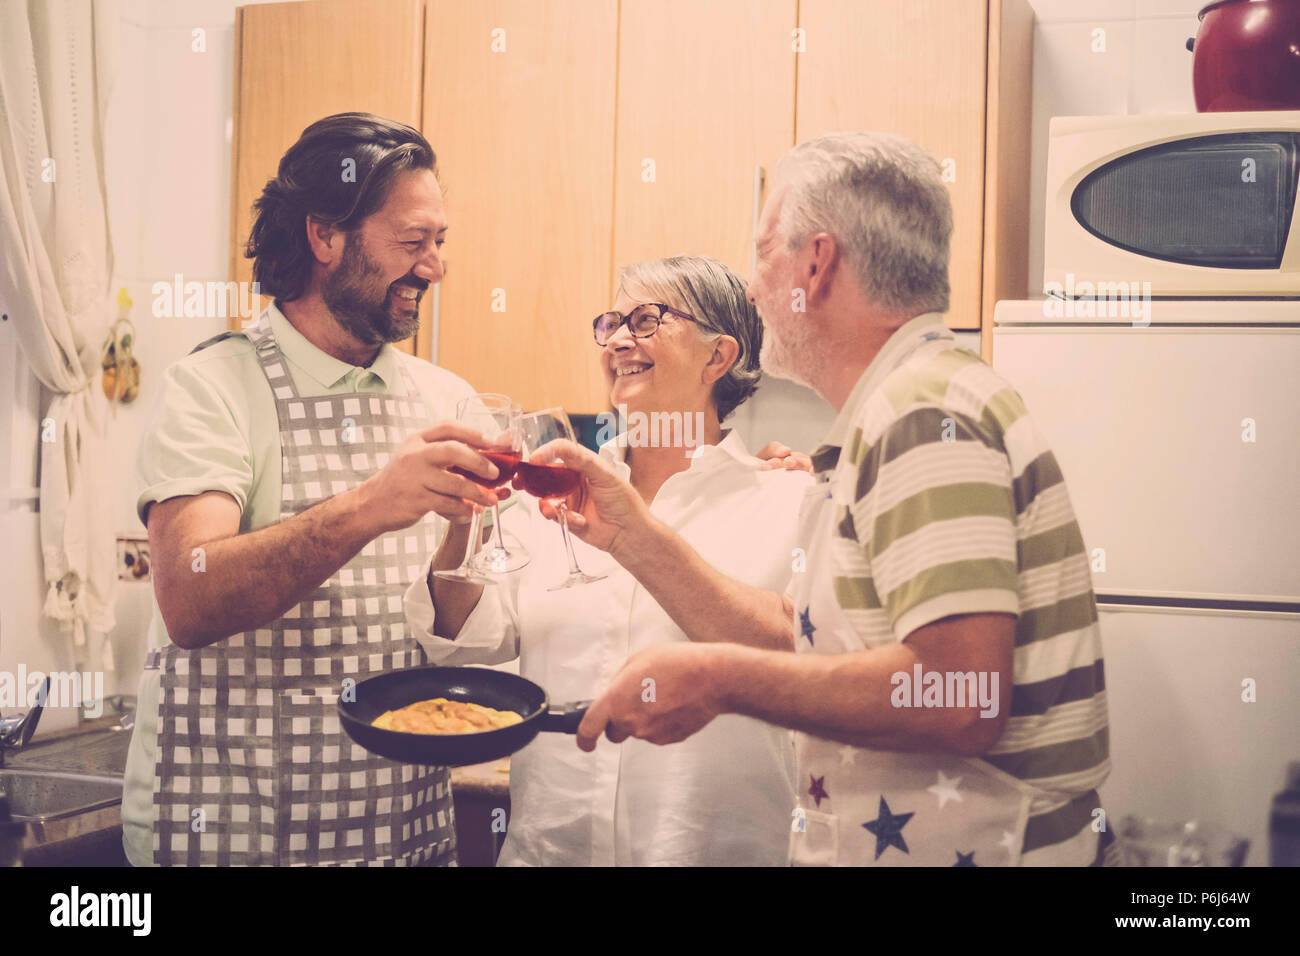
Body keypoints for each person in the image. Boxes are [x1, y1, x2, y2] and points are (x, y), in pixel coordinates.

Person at [537, 132, 1114, 866]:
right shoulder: (896, 410)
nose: (750, 290)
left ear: (817, 262)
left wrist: (718, 679)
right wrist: (633, 535)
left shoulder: (921, 414)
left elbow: (960, 695)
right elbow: (812, 641)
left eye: (762, 254)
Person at [121, 113, 509, 866]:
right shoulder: (211, 388)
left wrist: (467, 532)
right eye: (412, 242)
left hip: (400, 837)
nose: (434, 268)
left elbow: (452, 628)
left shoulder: (447, 399)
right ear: (325, 237)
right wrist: (372, 505)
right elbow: (190, 602)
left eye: (440, 242)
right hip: (237, 839)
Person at [405, 256, 812, 865]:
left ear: (718, 357)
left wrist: (636, 539)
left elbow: (799, 658)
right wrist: (462, 527)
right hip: (548, 851)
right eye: (612, 322)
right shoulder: (551, 494)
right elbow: (463, 640)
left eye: (647, 320)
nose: (619, 338)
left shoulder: (791, 500)